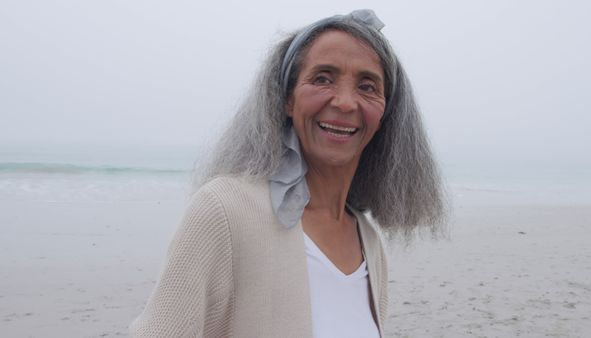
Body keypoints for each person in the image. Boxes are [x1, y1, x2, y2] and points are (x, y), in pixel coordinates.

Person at [130, 9, 445, 338]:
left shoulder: (369, 240)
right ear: (286, 99)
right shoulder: (223, 211)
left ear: (385, 113)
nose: (345, 102)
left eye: (367, 86)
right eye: (323, 78)